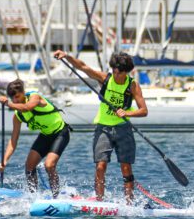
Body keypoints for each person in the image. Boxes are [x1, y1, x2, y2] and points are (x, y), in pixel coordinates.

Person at [52, 50, 148, 202]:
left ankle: (129, 202)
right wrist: (67, 56)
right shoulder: (105, 78)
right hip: (103, 128)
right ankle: (99, 201)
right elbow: (83, 67)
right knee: (100, 166)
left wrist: (127, 113)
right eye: (114, 71)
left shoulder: (133, 85)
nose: (115, 75)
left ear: (126, 72)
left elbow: (144, 111)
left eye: (119, 73)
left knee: (126, 168)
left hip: (123, 129)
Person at [0, 79, 71, 196]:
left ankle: (57, 197)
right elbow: (13, 140)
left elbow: (27, 107)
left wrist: (8, 104)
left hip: (60, 133)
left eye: (17, 97)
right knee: (29, 166)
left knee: (49, 165)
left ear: (23, 92)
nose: (15, 100)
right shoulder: (17, 116)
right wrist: (4, 160)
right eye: (12, 98)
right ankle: (33, 196)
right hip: (45, 136)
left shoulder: (34, 97)